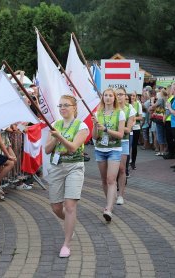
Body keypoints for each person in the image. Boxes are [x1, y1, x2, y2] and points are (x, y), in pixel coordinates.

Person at [44, 95, 89, 258]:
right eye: (60, 105)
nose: (62, 108)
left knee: (70, 206)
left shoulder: (82, 126)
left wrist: (59, 137)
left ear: (74, 108)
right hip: (56, 167)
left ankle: (66, 244)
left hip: (74, 168)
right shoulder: (55, 125)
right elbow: (47, 150)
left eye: (66, 105)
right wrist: (55, 139)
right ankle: (70, 226)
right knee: (56, 207)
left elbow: (72, 148)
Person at [92, 89, 125, 222]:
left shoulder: (120, 113)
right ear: (102, 98)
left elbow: (121, 135)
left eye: (110, 95)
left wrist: (106, 129)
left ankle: (108, 209)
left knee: (111, 179)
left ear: (114, 98)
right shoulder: (97, 113)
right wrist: (95, 126)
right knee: (104, 180)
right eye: (105, 95)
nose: (108, 98)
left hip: (114, 149)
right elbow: (94, 137)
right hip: (100, 149)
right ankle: (109, 203)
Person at [116, 88, 135, 205]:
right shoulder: (111, 109)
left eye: (121, 94)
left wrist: (114, 129)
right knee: (111, 171)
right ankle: (112, 193)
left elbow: (128, 129)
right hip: (111, 143)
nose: (119, 97)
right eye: (117, 94)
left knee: (122, 169)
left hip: (123, 142)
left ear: (125, 96)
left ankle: (121, 196)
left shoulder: (130, 110)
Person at [129, 91, 142, 169]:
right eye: (131, 95)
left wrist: (133, 118)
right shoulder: (127, 104)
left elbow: (141, 117)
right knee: (128, 146)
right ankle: (128, 160)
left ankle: (133, 162)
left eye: (134, 96)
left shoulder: (138, 104)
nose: (132, 97)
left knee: (134, 146)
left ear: (136, 96)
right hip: (128, 128)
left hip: (136, 127)